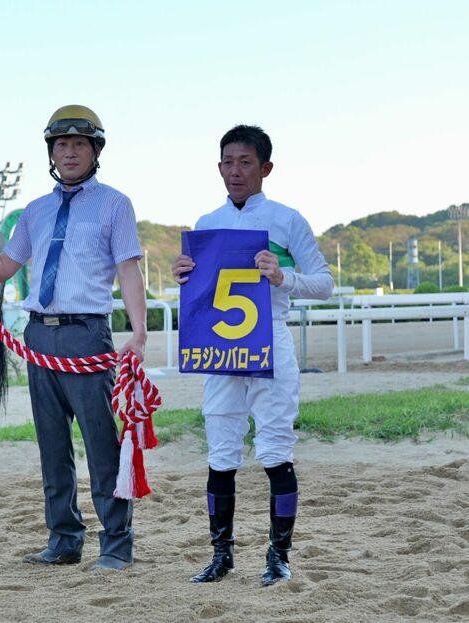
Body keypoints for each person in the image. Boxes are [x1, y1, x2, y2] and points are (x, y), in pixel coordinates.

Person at [0, 105, 147, 570]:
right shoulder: (36, 210)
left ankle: (115, 544)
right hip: (39, 338)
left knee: (101, 445)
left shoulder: (115, 204)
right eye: (61, 145)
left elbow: (128, 270)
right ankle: (64, 540)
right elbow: (2, 267)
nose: (69, 153)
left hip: (87, 335)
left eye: (79, 145)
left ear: (95, 151)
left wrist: (140, 330)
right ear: (51, 152)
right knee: (53, 447)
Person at [172, 125, 333, 586]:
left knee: (275, 452)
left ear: (266, 168)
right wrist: (182, 275)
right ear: (218, 167)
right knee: (221, 454)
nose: (235, 171)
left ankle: (278, 557)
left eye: (245, 162)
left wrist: (283, 277)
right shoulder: (205, 224)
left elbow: (324, 284)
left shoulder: (286, 219)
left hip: (272, 343)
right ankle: (221, 556)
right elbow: (199, 294)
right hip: (220, 348)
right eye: (227, 162)